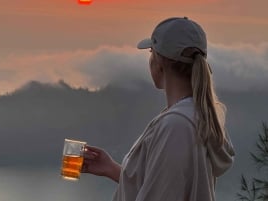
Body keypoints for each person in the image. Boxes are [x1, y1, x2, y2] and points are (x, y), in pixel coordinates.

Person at [82, 16, 235, 201]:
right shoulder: (192, 116)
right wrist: (111, 169)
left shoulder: (176, 126)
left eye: (150, 52)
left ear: (160, 62)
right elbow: (165, 185)